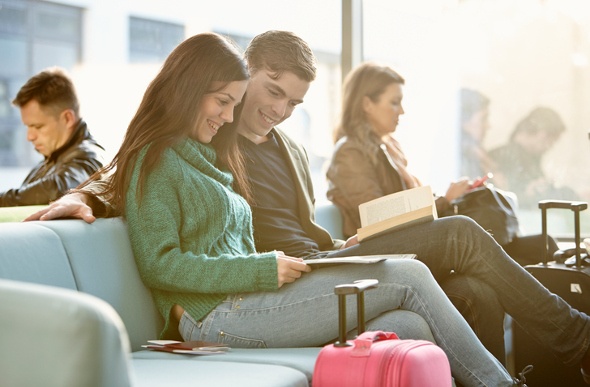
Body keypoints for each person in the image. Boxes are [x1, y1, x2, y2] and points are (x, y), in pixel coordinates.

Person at [27, 31, 590, 385]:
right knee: (419, 266)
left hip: (274, 283)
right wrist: (78, 194)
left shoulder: (217, 152)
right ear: (233, 82)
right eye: (243, 96)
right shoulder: (163, 157)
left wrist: (316, 253)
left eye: (291, 102)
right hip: (222, 309)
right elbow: (151, 239)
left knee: (408, 321)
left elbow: (258, 227)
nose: (244, 111)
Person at [326, 63, 560, 269]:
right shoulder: (350, 153)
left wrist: (450, 197)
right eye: (394, 103)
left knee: (542, 245)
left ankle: (558, 318)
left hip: (409, 239)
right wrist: (444, 201)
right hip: (386, 250)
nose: (402, 111)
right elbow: (376, 217)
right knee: (478, 237)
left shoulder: (391, 147)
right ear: (367, 104)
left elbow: (407, 204)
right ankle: (564, 318)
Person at [1, 68, 105, 207]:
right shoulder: (46, 164)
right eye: (28, 127)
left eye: (37, 126)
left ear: (67, 119)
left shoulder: (90, 157)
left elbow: (61, 188)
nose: (29, 137)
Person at [489, 106, 580, 209]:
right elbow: (504, 199)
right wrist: (528, 193)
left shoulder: (530, 158)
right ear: (542, 133)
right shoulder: (505, 157)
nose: (549, 146)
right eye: (551, 141)